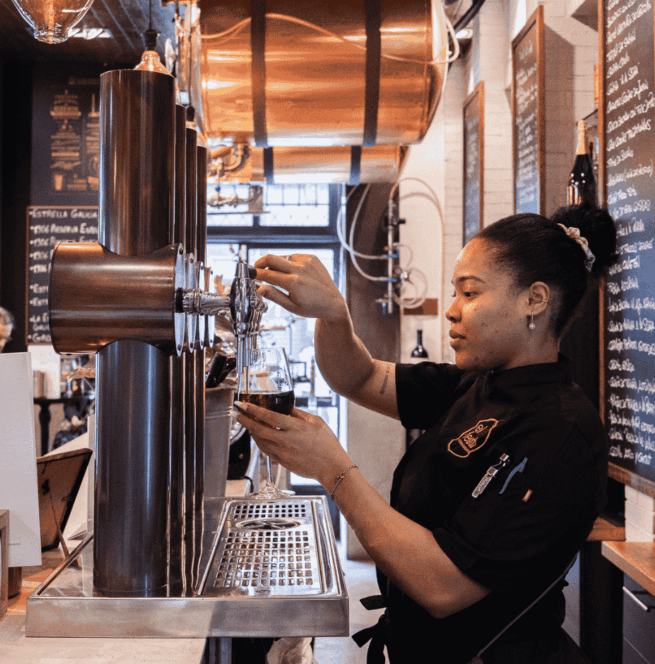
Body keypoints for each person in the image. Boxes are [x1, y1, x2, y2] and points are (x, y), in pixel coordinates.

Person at [235, 205, 616, 663]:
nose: (452, 312)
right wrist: (334, 314)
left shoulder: (559, 432)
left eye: (470, 293)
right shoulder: (473, 383)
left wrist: (332, 469)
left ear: (534, 300)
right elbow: (359, 378)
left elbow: (444, 585)